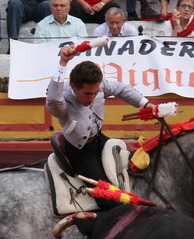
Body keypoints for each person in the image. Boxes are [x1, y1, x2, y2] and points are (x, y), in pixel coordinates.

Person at [45, 46, 155, 208]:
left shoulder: (99, 86)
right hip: (80, 151)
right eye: (88, 94)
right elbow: (53, 99)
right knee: (109, 200)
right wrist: (63, 62)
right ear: (74, 87)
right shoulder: (64, 101)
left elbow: (121, 89)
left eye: (96, 92)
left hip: (100, 139)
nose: (93, 97)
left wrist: (146, 104)